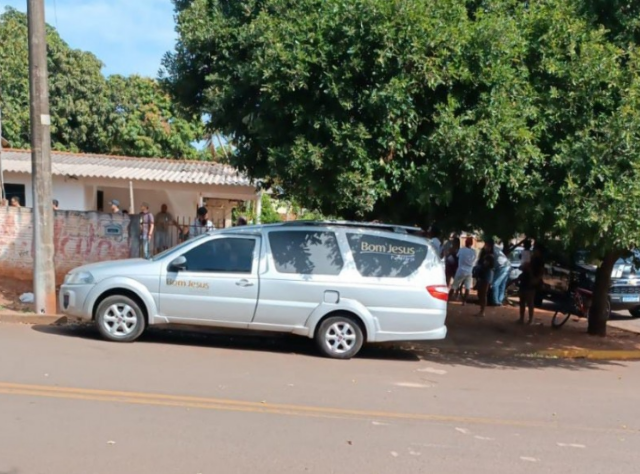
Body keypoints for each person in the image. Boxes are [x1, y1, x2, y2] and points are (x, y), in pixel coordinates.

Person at [518, 245, 545, 325]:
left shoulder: (540, 261)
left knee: (530, 301)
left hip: (531, 281)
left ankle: (530, 319)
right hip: (525, 279)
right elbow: (522, 266)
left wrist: (536, 279)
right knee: (522, 300)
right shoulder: (530, 258)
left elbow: (540, 272)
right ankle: (521, 318)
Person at [451, 237, 477, 304]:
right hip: (469, 271)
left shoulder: (462, 250)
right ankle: (464, 302)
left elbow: (457, 256)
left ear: (465, 243)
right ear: (471, 243)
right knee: (467, 288)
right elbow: (474, 260)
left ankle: (448, 299)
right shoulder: (474, 252)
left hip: (461, 270)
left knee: (454, 285)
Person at [475, 239, 496, 317]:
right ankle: (481, 310)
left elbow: (486, 265)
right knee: (480, 293)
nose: (485, 246)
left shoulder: (490, 256)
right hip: (482, 274)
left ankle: (482, 311)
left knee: (483, 293)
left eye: (487, 245)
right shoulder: (484, 254)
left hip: (486, 275)